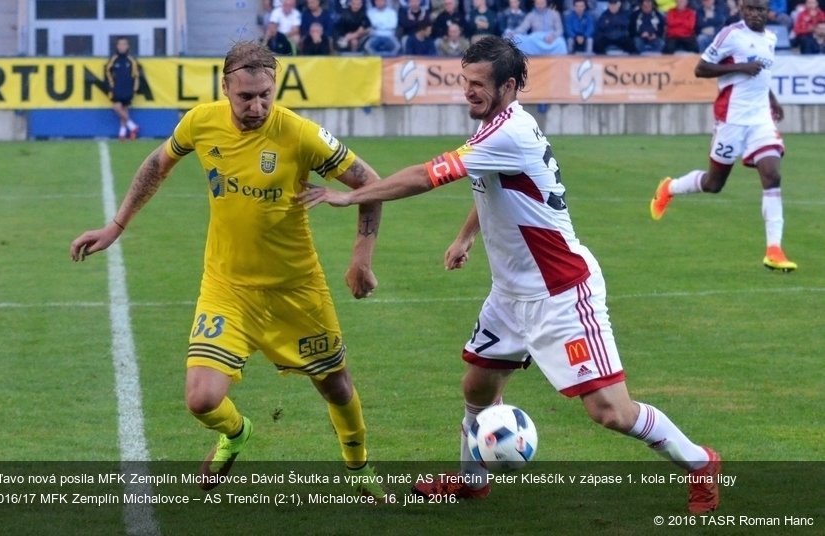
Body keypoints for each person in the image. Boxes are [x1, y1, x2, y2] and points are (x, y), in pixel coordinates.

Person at [299, 35, 721, 514]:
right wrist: (467, 235)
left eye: (479, 84)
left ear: (512, 85)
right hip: (510, 294)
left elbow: (426, 175)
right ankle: (472, 481)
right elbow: (496, 187)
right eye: (465, 82)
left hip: (560, 292)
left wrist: (353, 195)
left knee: (611, 412)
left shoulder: (508, 134)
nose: (469, 92)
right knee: (477, 386)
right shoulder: (496, 130)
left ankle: (701, 462)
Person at [70, 40, 387, 499]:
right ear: (225, 87)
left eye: (265, 95)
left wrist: (361, 259)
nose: (257, 106)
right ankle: (237, 433)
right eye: (246, 97)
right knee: (201, 399)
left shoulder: (301, 135)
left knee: (335, 386)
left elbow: (370, 183)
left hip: (295, 289)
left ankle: (359, 470)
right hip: (227, 287)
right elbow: (157, 165)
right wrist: (116, 225)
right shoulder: (201, 121)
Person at [651, 0, 797, 272]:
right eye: (751, 8)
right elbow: (701, 68)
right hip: (731, 118)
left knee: (772, 175)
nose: (756, 13)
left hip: (760, 119)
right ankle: (669, 188)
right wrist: (739, 68)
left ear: (768, 12)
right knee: (714, 183)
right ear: (742, 10)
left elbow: (761, 76)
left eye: (761, 9)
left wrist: (772, 99)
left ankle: (774, 250)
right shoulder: (731, 35)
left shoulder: (770, 38)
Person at [105, 37, 140, 140]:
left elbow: (136, 75)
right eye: (120, 44)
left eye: (124, 44)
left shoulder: (131, 60)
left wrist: (135, 89)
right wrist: (111, 87)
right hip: (117, 89)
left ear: (127, 46)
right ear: (117, 46)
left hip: (128, 89)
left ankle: (123, 132)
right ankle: (133, 126)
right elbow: (107, 72)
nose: (122, 47)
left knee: (125, 109)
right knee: (116, 107)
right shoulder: (114, 59)